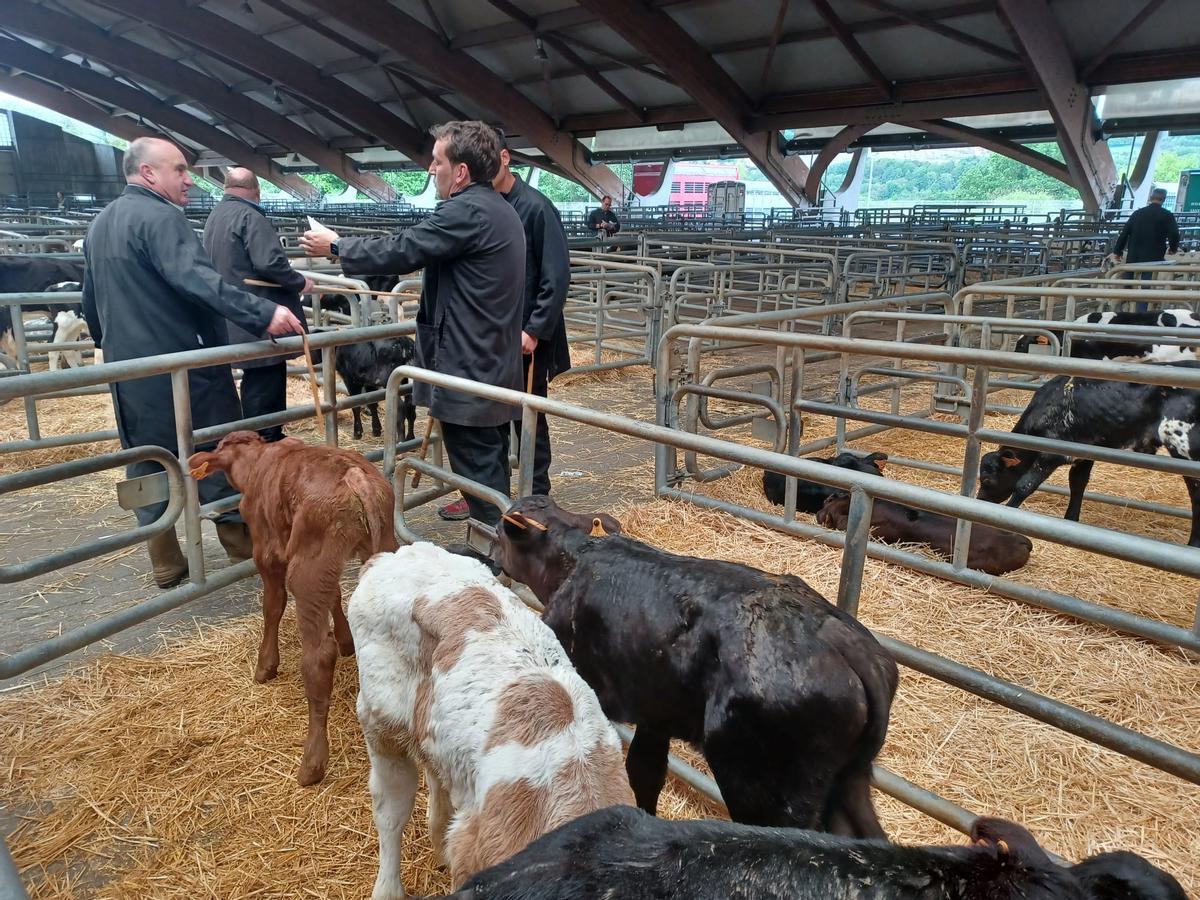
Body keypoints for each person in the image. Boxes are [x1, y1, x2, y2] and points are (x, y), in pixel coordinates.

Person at [81, 137, 303, 589]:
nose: (189, 180)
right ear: (148, 173)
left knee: (149, 458)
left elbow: (91, 302)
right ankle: (241, 548)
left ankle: (164, 558)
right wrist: (265, 313)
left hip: (131, 373)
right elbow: (198, 280)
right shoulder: (163, 218)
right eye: (180, 170)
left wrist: (112, 350)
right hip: (186, 363)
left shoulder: (101, 223)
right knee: (217, 449)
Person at [299, 120, 525, 530]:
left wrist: (336, 245)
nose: (430, 170)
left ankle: (494, 561)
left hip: (469, 364)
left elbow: (405, 247)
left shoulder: (467, 211)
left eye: (437, 161)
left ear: (460, 172)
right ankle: (497, 548)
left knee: (478, 471)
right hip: (490, 360)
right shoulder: (499, 208)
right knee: (488, 466)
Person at [435, 128, 571, 520]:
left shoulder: (537, 208)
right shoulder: (483, 207)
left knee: (529, 418)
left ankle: (535, 497)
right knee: (486, 419)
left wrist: (534, 330)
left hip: (525, 338)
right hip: (490, 337)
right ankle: (487, 494)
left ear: (505, 159)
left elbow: (555, 277)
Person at [202, 167, 313, 443]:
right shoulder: (249, 216)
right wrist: (299, 281)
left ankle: (259, 436)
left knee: (255, 379)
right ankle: (265, 440)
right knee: (266, 380)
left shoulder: (216, 216)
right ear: (256, 191)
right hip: (261, 317)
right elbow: (269, 262)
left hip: (232, 314)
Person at [1111, 188, 1180, 269]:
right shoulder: (1167, 215)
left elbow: (1124, 233)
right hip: (1154, 257)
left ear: (1150, 198)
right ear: (1164, 199)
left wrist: (1118, 251)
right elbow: (1174, 233)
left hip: (1134, 255)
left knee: (1129, 278)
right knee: (1148, 279)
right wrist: (1173, 248)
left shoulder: (1137, 214)